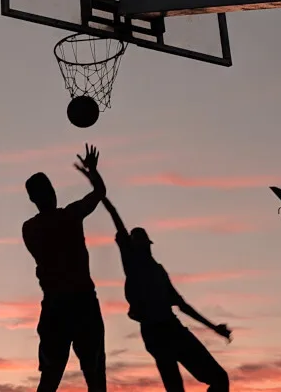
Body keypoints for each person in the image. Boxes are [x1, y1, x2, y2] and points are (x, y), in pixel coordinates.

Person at [102, 197, 232, 392]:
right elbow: (115, 217)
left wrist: (214, 328)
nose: (145, 247)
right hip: (156, 333)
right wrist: (100, 191)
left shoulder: (158, 271)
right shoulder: (133, 263)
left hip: (172, 328)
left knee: (220, 378)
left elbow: (182, 305)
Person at [22, 144, 108, 392]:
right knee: (94, 376)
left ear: (32, 199)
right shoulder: (70, 215)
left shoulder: (29, 229)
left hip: (54, 307)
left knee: (49, 377)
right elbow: (100, 191)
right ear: (52, 191)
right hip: (81, 303)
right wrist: (92, 171)